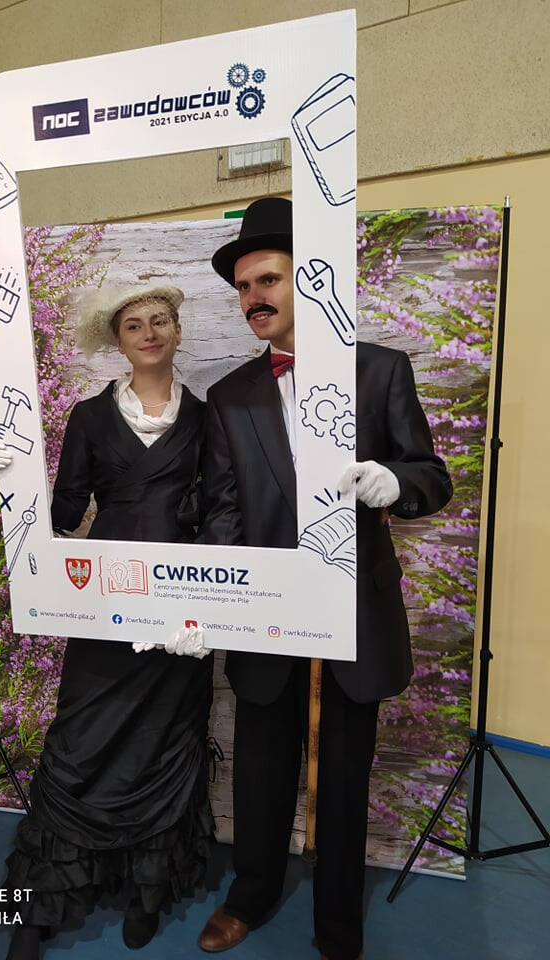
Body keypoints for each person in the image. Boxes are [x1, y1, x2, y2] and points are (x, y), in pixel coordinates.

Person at [195, 198, 453, 960]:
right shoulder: (229, 397)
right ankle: (251, 894)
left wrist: (396, 484)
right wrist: (212, 604)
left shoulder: (382, 370)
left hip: (355, 615)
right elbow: (222, 515)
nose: (254, 299)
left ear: (306, 279)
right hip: (266, 615)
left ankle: (339, 925)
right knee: (261, 769)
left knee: (344, 778)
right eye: (243, 287)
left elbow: (432, 477)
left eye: (267, 280)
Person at [0, 283, 213, 960]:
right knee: (81, 739)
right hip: (104, 602)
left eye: (160, 321)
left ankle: (147, 892)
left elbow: (223, 514)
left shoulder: (210, 419)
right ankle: (40, 906)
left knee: (163, 741)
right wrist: (11, 483)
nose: (149, 332)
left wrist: (207, 609)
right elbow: (61, 514)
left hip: (180, 608)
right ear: (118, 341)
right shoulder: (87, 416)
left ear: (177, 331)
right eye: (134, 325)